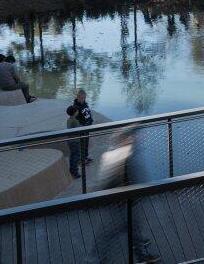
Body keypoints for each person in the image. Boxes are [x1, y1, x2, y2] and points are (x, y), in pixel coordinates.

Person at [85, 129, 160, 262]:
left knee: (133, 227)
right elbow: (133, 179)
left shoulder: (113, 153)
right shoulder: (126, 156)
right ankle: (93, 260)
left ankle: (141, 254)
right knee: (108, 232)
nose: (139, 137)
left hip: (124, 201)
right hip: (121, 203)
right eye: (135, 136)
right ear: (128, 139)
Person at [73, 89, 94, 167]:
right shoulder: (76, 107)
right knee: (82, 144)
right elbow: (76, 118)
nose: (83, 99)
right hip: (82, 128)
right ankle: (81, 160)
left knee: (86, 143)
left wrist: (90, 121)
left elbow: (88, 113)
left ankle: (85, 157)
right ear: (78, 97)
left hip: (87, 127)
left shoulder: (85, 104)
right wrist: (83, 124)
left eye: (84, 98)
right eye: (81, 98)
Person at [64, 106, 83, 179]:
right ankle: (75, 172)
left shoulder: (69, 119)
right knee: (76, 157)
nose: (78, 112)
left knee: (72, 155)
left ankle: (71, 170)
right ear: (74, 113)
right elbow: (79, 129)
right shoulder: (75, 121)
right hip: (75, 141)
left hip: (70, 141)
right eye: (77, 111)